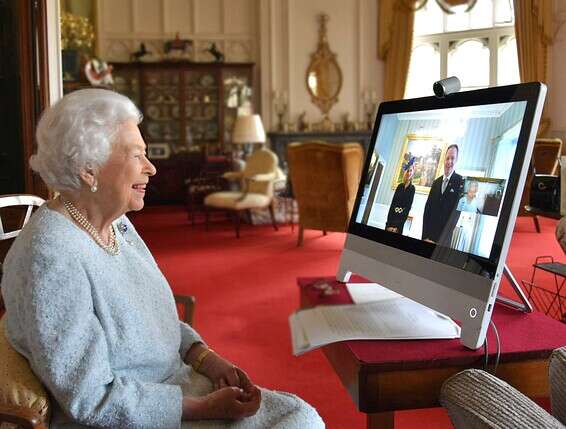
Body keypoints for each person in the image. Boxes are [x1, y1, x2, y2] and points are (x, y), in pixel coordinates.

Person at [1, 89, 324, 429]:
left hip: (174, 387)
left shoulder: (116, 224)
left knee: (297, 416)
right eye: (137, 155)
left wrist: (205, 358)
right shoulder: (50, 257)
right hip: (133, 415)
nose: (151, 168)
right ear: (88, 169)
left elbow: (153, 320)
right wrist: (204, 407)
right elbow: (91, 399)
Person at [422, 144, 464, 245]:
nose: (449, 161)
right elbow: (427, 210)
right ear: (444, 160)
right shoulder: (436, 182)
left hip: (443, 242)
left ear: (456, 160)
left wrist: (441, 241)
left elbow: (455, 216)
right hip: (428, 238)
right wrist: (425, 236)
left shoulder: (461, 182)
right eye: (447, 158)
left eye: (452, 158)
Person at [385, 158, 416, 234]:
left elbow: (407, 208)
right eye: (408, 171)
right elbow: (393, 204)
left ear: (413, 173)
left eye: (411, 171)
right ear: (405, 172)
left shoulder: (412, 189)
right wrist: (388, 224)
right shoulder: (399, 186)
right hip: (392, 218)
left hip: (400, 222)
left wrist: (397, 227)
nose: (409, 173)